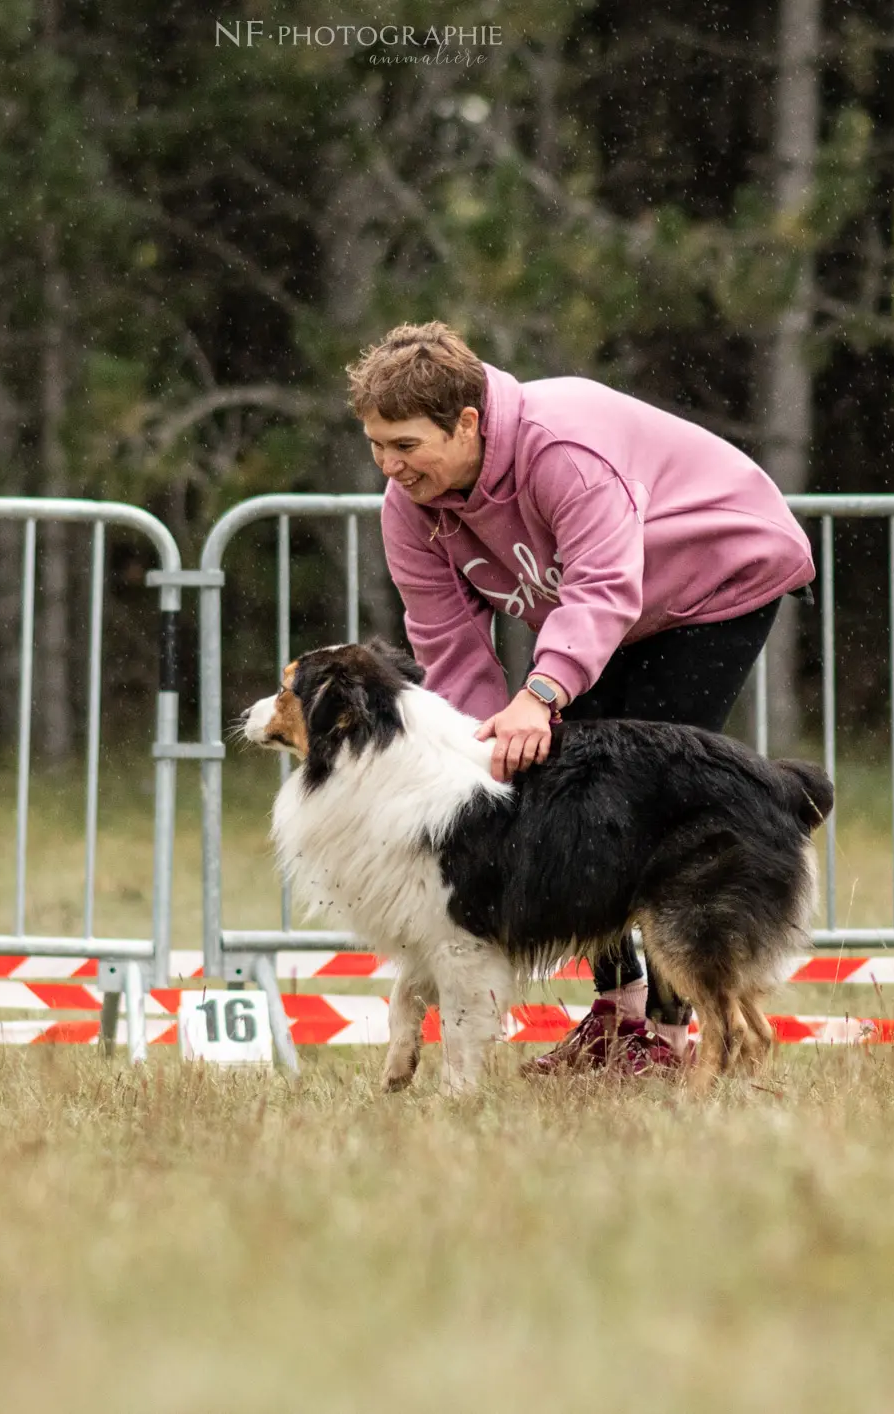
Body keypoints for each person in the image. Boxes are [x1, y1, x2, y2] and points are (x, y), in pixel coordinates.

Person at [348, 322, 815, 1075]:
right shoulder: (410, 510)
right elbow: (447, 641)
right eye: (376, 444)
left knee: (643, 797)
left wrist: (540, 692)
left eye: (404, 445)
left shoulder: (560, 448)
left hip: (717, 577)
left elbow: (603, 583)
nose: (388, 465)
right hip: (614, 614)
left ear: (466, 423)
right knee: (566, 800)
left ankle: (667, 1039)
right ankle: (618, 1015)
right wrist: (476, 755)